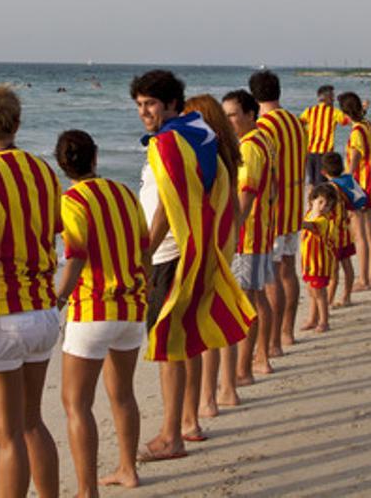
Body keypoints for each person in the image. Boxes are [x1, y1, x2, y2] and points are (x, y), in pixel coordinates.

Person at [132, 70, 254, 463]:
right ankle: (187, 422)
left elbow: (169, 204)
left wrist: (145, 254)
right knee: (187, 341)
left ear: (171, 104)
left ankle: (172, 435)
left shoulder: (169, 141)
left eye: (150, 104)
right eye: (139, 105)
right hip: (196, 249)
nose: (144, 112)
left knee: (169, 347)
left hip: (171, 254)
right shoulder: (199, 132)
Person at [0, 85, 62, 498]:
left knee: (6, 435)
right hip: (43, 308)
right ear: (17, 123)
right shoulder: (43, 170)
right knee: (32, 423)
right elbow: (56, 225)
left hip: (3, 313)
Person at [54, 130, 147, 497]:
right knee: (122, 393)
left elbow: (75, 255)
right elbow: (143, 248)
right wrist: (145, 287)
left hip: (93, 309)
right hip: (131, 305)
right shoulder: (124, 193)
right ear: (95, 158)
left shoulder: (72, 199)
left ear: (63, 166)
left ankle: (86, 491)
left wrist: (58, 302)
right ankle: (128, 469)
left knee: (76, 403)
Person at [184, 94, 243, 418]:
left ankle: (208, 398)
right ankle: (225, 390)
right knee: (220, 318)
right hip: (225, 242)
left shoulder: (205, 155)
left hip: (209, 246)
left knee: (203, 326)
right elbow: (235, 205)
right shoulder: (226, 152)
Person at [221, 89, 277, 382]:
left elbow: (247, 193)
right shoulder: (263, 141)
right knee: (256, 298)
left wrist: (231, 231)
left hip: (249, 236)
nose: (228, 120)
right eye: (225, 115)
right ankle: (261, 356)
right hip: (261, 232)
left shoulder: (250, 147)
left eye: (233, 114)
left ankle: (244, 368)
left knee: (246, 303)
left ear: (250, 114)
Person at [249, 69, 306, 355]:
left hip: (274, 211)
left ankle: (271, 343)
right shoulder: (295, 122)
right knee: (288, 271)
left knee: (270, 278)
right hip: (294, 206)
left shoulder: (264, 127)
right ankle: (286, 332)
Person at [339, 91, 371, 281]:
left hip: (361, 184)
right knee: (370, 231)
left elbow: (355, 158)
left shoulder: (357, 131)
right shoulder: (367, 125)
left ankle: (364, 278)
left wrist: (346, 179)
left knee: (361, 233)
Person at [317, 152, 361, 309]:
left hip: (332, 234)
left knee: (333, 270)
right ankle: (346, 296)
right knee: (347, 265)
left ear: (323, 171)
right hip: (345, 231)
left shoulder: (327, 189)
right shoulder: (346, 183)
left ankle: (328, 300)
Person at [298, 184, 337, 333]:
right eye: (320, 202)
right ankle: (312, 319)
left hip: (319, 264)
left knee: (319, 293)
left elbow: (308, 226)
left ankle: (324, 321)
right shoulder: (309, 213)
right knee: (311, 291)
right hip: (308, 262)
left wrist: (290, 221)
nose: (323, 207)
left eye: (327, 205)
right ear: (312, 201)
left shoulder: (323, 220)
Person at [298, 85, 348, 189]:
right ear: (326, 97)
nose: (333, 99)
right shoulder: (334, 112)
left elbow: (298, 124)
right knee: (322, 184)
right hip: (325, 153)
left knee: (312, 182)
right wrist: (361, 110)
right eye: (332, 96)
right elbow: (346, 121)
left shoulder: (310, 111)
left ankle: (312, 203)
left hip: (310, 151)